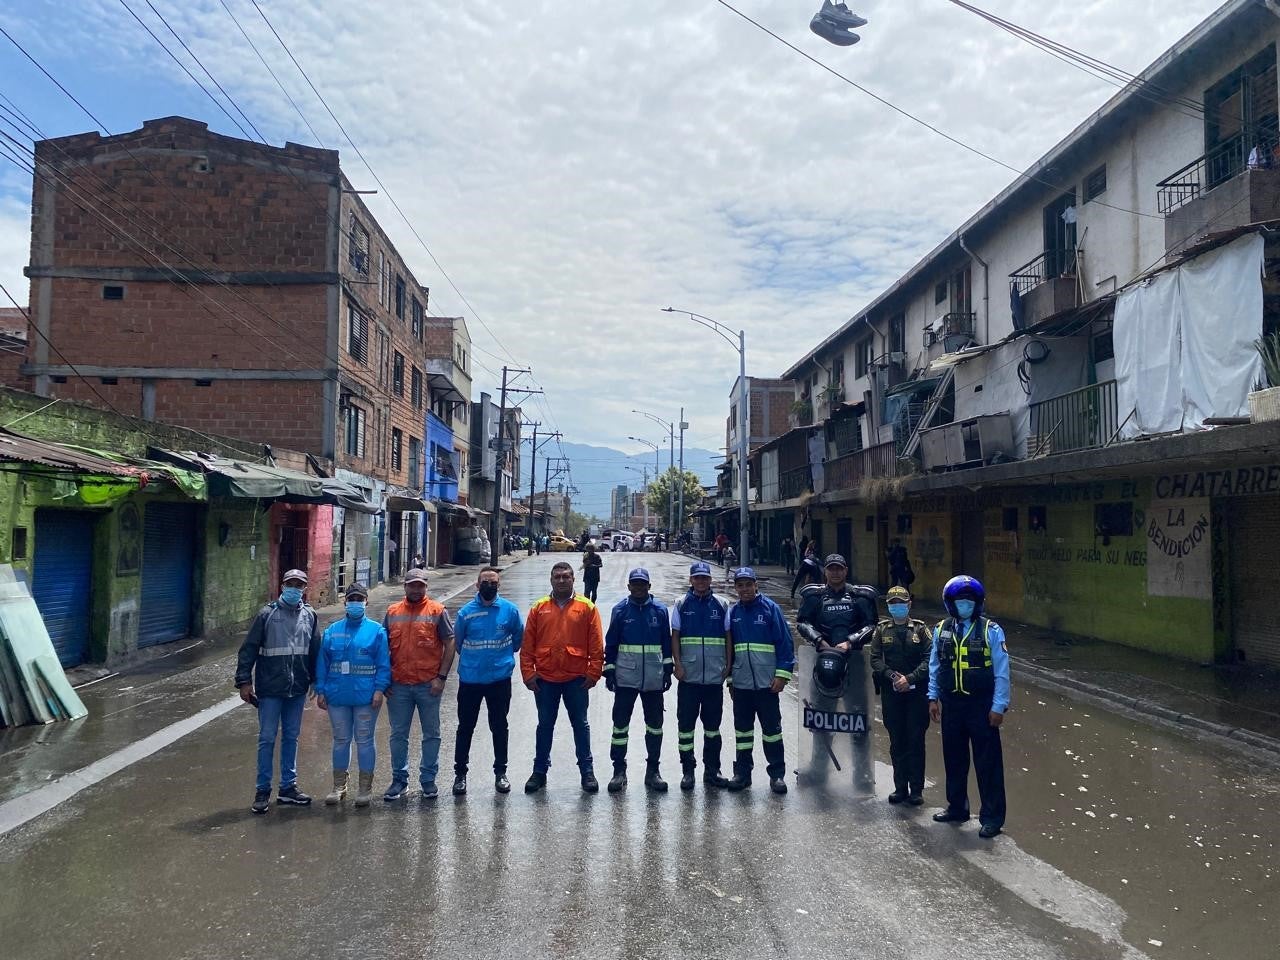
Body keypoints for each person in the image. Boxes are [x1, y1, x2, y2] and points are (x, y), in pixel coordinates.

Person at [928, 575, 1010, 839]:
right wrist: (932, 697)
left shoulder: (991, 631)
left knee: (988, 764)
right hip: (952, 704)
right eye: (959, 601)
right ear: (949, 604)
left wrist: (998, 706)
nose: (964, 605)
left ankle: (992, 818)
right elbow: (935, 666)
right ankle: (957, 807)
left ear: (978, 603)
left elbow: (1002, 672)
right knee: (954, 759)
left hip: (981, 706)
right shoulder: (941, 629)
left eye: (969, 601)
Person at [235, 568, 320, 814]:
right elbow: (248, 649)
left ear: (304, 588)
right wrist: (244, 681)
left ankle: (288, 787)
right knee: (267, 738)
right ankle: (262, 790)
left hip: (297, 689)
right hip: (270, 688)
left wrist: (316, 680)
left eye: (300, 585)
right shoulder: (267, 614)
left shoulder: (310, 616)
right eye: (291, 584)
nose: (295, 589)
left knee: (292, 737)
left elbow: (314, 650)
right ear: (283, 586)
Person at [522, 561, 604, 793]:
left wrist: (593, 672)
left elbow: (597, 645)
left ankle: (587, 772)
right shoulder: (539, 608)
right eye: (557, 577)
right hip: (545, 679)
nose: (561, 580)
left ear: (573, 580)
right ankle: (539, 772)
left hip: (576, 679)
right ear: (551, 580)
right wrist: (529, 673)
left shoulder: (586, 607)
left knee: (581, 725)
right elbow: (528, 645)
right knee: (545, 725)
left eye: (566, 577)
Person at [382, 568, 456, 801]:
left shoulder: (437, 611)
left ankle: (428, 781)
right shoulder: (392, 612)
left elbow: (450, 643)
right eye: (412, 585)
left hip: (428, 685)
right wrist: (384, 680)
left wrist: (441, 678)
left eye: (420, 585)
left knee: (431, 734)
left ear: (426, 587)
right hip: (399, 685)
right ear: (405, 586)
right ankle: (399, 780)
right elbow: (381, 648)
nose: (416, 589)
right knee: (398, 735)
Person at [315, 583, 390, 807]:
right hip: (337, 695)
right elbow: (323, 663)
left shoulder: (376, 631)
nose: (355, 603)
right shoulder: (332, 631)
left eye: (359, 599)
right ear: (345, 602)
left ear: (366, 602)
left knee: (365, 741)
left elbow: (383, 664)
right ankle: (339, 786)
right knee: (340, 741)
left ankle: (365, 789)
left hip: (367, 697)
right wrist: (320, 690)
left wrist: (379, 689)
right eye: (352, 599)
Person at [452, 567, 524, 796]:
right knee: (465, 727)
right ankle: (460, 775)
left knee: (499, 727)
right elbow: (459, 643)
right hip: (471, 679)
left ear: (499, 585)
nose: (489, 586)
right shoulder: (465, 613)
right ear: (477, 584)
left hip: (499, 679)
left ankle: (500, 773)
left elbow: (517, 640)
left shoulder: (510, 611)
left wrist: (501, 660)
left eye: (493, 582)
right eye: (485, 582)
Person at [724, 567, 795, 793]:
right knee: (743, 732)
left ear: (756, 585)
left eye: (748, 584)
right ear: (736, 588)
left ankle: (777, 775)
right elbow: (729, 651)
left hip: (767, 685)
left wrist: (782, 676)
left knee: (772, 731)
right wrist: (731, 680)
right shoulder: (732, 613)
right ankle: (742, 774)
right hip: (742, 684)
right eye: (740, 585)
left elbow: (785, 644)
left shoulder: (770, 609)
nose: (744, 589)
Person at [603, 567, 672, 792]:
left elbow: (666, 643)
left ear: (649, 586)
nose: (639, 587)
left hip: (653, 679)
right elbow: (611, 642)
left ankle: (653, 771)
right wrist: (610, 671)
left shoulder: (660, 611)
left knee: (654, 727)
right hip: (625, 678)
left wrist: (668, 671)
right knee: (620, 726)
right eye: (635, 584)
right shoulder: (620, 611)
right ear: (629, 586)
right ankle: (618, 771)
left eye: (643, 584)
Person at [868, 586, 932, 805]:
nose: (897, 606)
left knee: (915, 740)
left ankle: (916, 790)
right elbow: (875, 658)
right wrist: (891, 675)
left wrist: (911, 679)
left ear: (909, 604)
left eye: (901, 603)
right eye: (893, 603)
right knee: (897, 741)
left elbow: (929, 660)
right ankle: (900, 788)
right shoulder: (882, 629)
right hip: (891, 693)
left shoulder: (921, 629)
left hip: (917, 695)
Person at [671, 560, 731, 790]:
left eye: (704, 578)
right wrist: (678, 664)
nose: (701, 581)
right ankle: (688, 771)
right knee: (685, 728)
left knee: (713, 728)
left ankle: (712, 770)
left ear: (710, 580)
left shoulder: (722, 604)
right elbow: (675, 636)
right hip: (689, 677)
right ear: (691, 580)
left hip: (714, 679)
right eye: (696, 578)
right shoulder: (681, 603)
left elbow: (728, 637)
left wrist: (727, 664)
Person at [797, 554, 878, 653]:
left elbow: (871, 626)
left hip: (854, 653)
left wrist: (850, 642)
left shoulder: (860, 597)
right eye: (831, 569)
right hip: (821, 652)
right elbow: (803, 623)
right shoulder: (813, 596)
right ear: (825, 571)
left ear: (846, 570)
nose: (835, 573)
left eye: (839, 569)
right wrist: (819, 640)